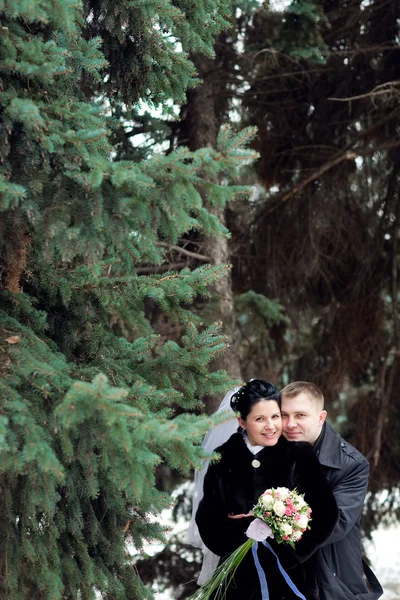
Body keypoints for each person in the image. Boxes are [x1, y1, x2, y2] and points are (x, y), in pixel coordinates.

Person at [194, 379, 339, 600]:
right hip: (237, 582)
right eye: (260, 419)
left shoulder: (298, 455)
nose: (271, 426)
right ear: (242, 421)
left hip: (290, 581)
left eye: (275, 416)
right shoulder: (222, 459)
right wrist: (244, 528)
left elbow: (326, 514)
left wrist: (287, 552)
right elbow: (208, 520)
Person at [280, 381, 383, 600]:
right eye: (284, 415)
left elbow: (335, 524)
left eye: (300, 415)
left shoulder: (351, 464)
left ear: (321, 417)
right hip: (281, 577)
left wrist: (271, 523)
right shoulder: (270, 452)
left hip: (329, 579)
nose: (290, 424)